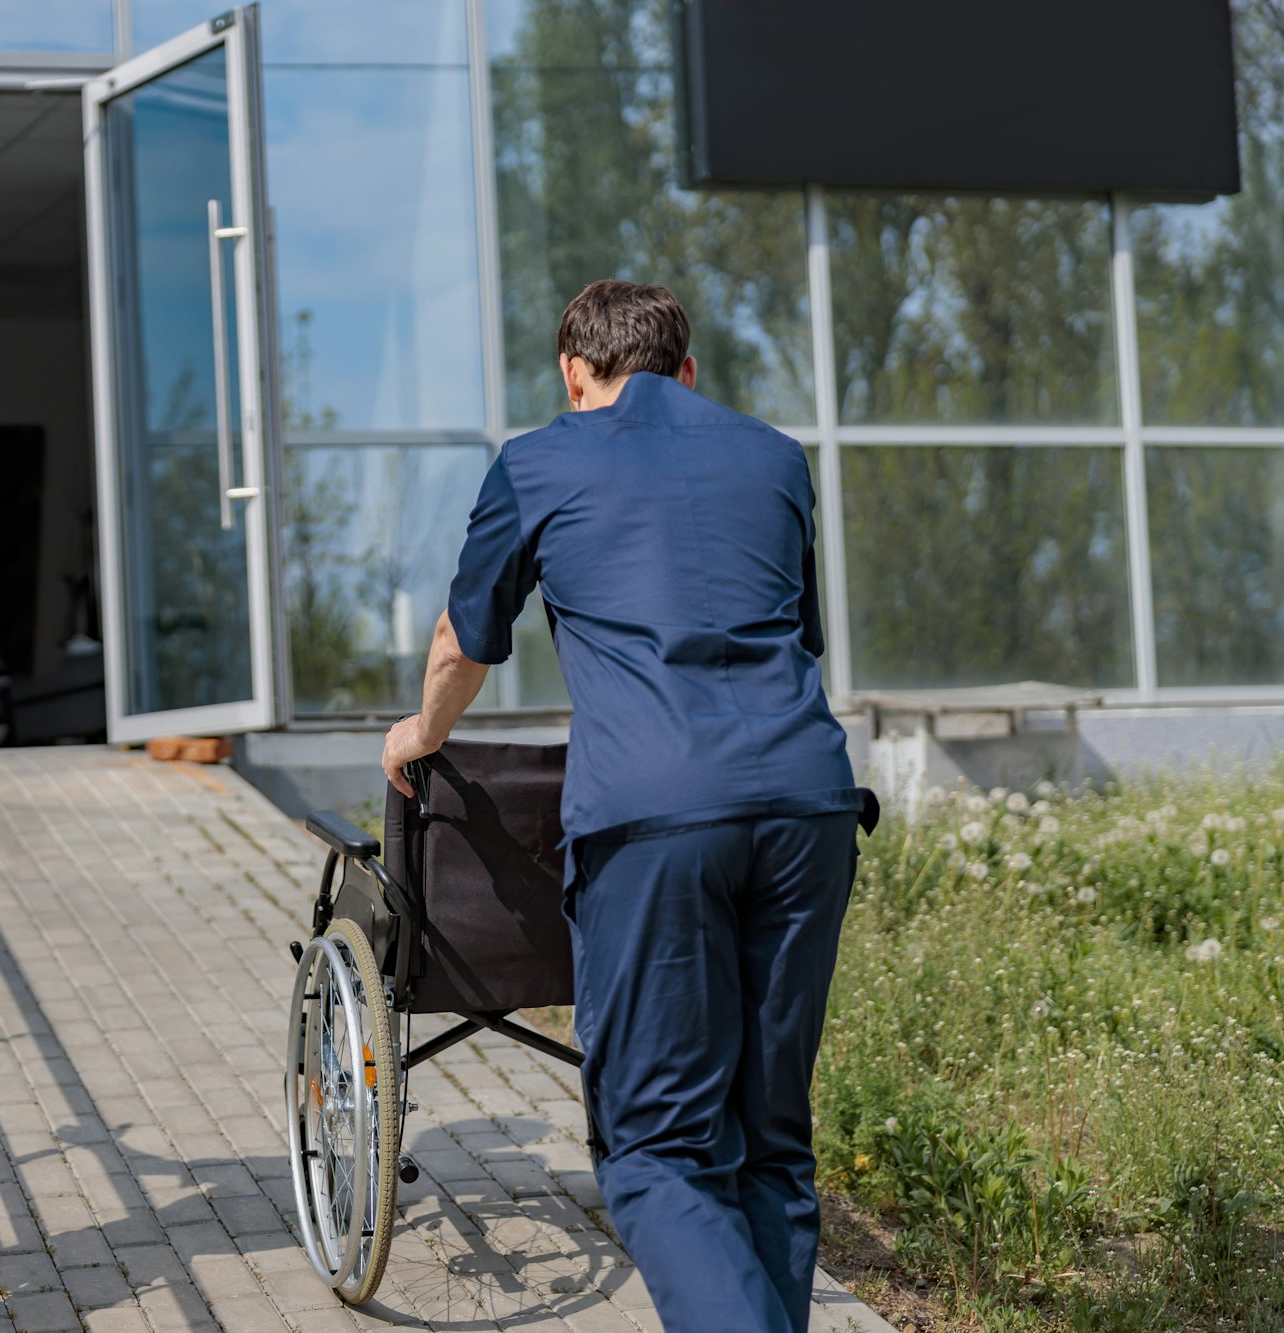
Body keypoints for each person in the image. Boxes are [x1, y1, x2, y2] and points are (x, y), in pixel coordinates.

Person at [381, 280, 872, 1333]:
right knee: (770, 1139)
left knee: (657, 1150)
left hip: (655, 820)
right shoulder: (776, 458)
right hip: (807, 807)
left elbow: (462, 641)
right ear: (685, 371)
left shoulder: (538, 460)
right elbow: (800, 639)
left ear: (572, 373)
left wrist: (417, 737)